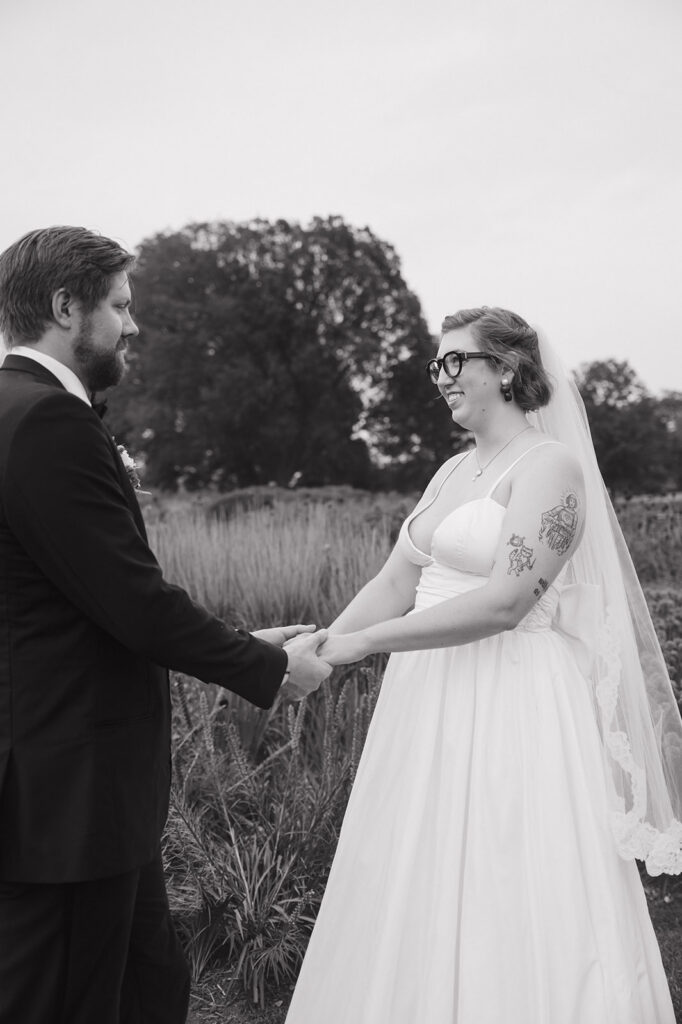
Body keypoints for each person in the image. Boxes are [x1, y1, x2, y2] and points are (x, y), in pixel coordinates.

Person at [284, 307, 680, 1023]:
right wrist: (322, 650)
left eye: (455, 361)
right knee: (418, 868)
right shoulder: (451, 471)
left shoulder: (550, 467)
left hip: (512, 698)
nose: (441, 379)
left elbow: (505, 602)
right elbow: (395, 582)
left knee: (509, 870)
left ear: (506, 367)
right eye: (436, 365)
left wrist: (370, 645)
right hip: (427, 698)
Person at [0, 226, 331, 1024]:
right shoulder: (48, 424)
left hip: (74, 788)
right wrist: (266, 668)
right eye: (120, 306)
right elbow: (132, 602)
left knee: (146, 984)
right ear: (64, 305)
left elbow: (76, 596)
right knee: (71, 999)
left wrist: (248, 646)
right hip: (70, 789)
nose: (133, 325)